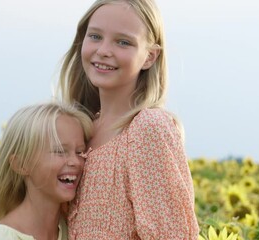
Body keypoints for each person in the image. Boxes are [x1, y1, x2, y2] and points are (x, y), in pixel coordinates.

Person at [57, 0, 200, 239]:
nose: (103, 50)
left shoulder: (147, 128)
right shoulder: (80, 130)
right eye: (95, 36)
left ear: (150, 57)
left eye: (123, 42)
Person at [0, 102, 92, 240]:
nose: (75, 161)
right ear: (21, 164)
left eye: (80, 152)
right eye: (60, 151)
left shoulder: (75, 231)